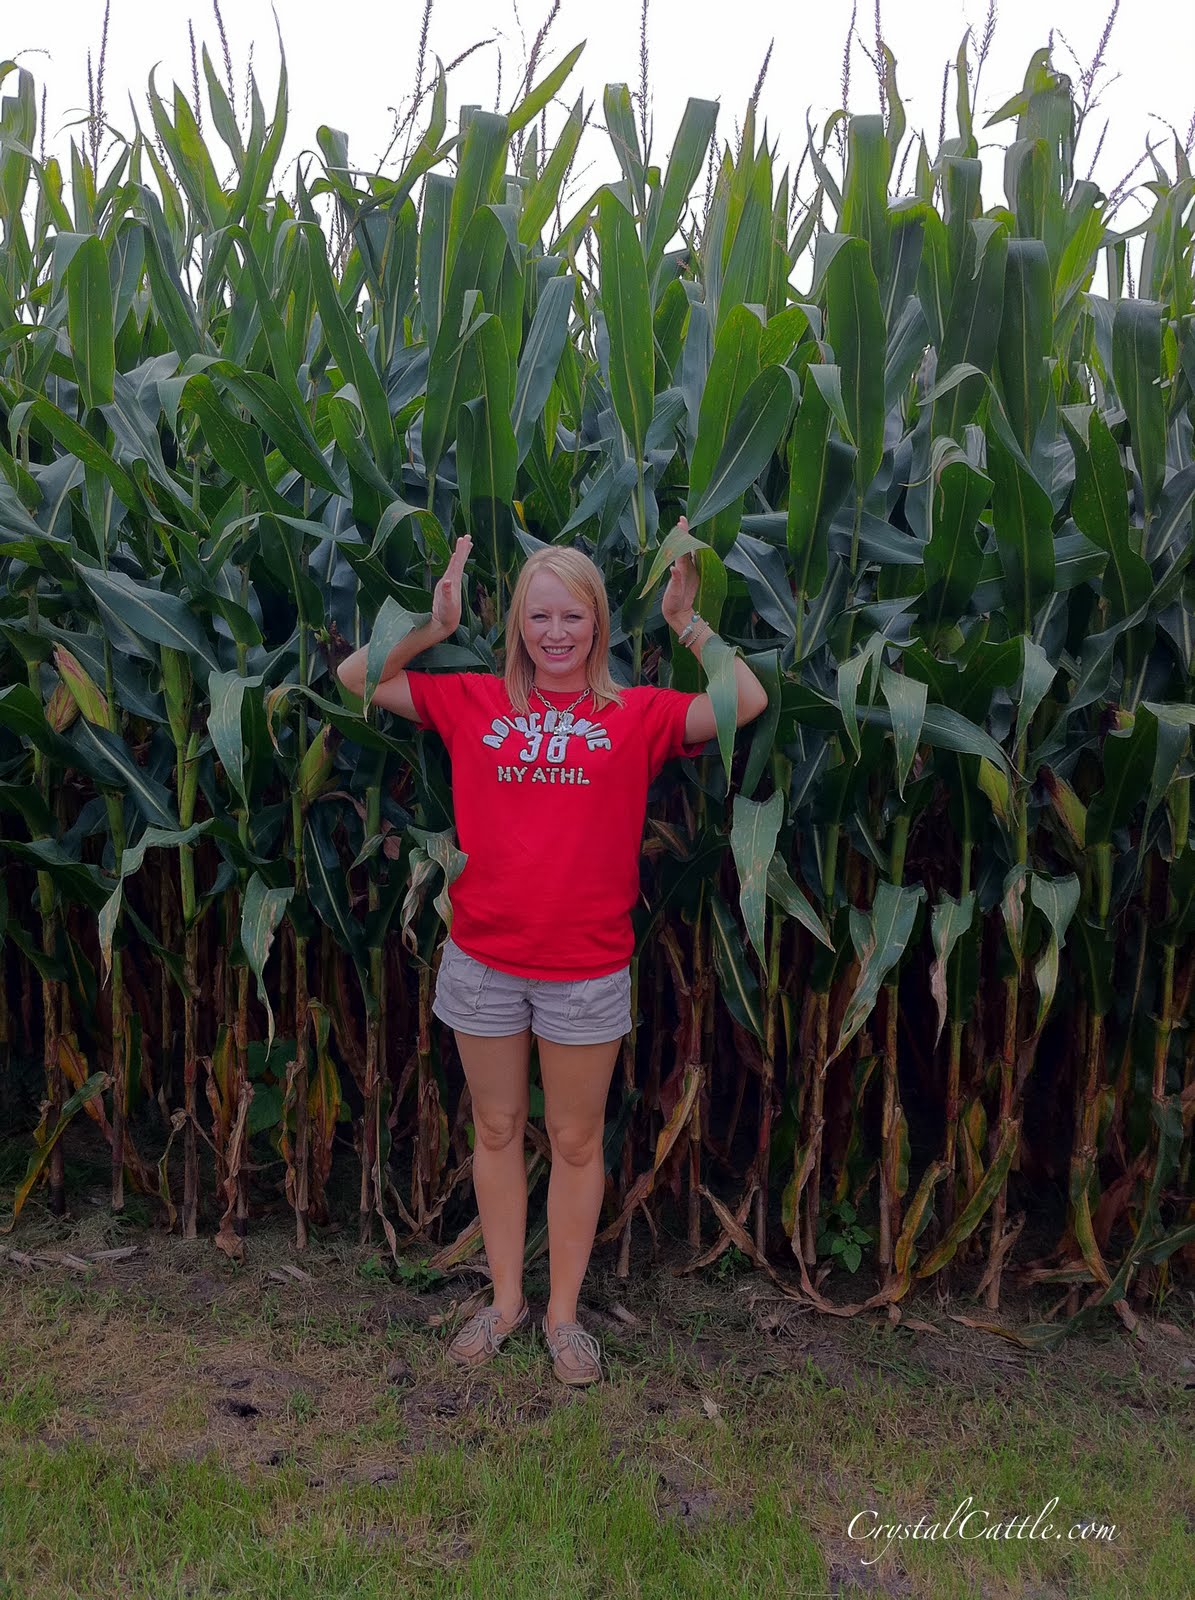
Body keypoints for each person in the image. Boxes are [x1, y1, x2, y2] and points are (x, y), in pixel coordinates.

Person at [338, 519, 769, 1384]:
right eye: (540, 618)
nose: (556, 633)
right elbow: (357, 677)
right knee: (495, 1127)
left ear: (598, 625)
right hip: (484, 958)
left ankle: (563, 1317)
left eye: (573, 617)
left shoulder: (635, 714)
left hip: (586, 969)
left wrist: (689, 623)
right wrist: (435, 626)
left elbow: (744, 699)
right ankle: (504, 1302)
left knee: (575, 1141)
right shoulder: (472, 701)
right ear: (518, 630)